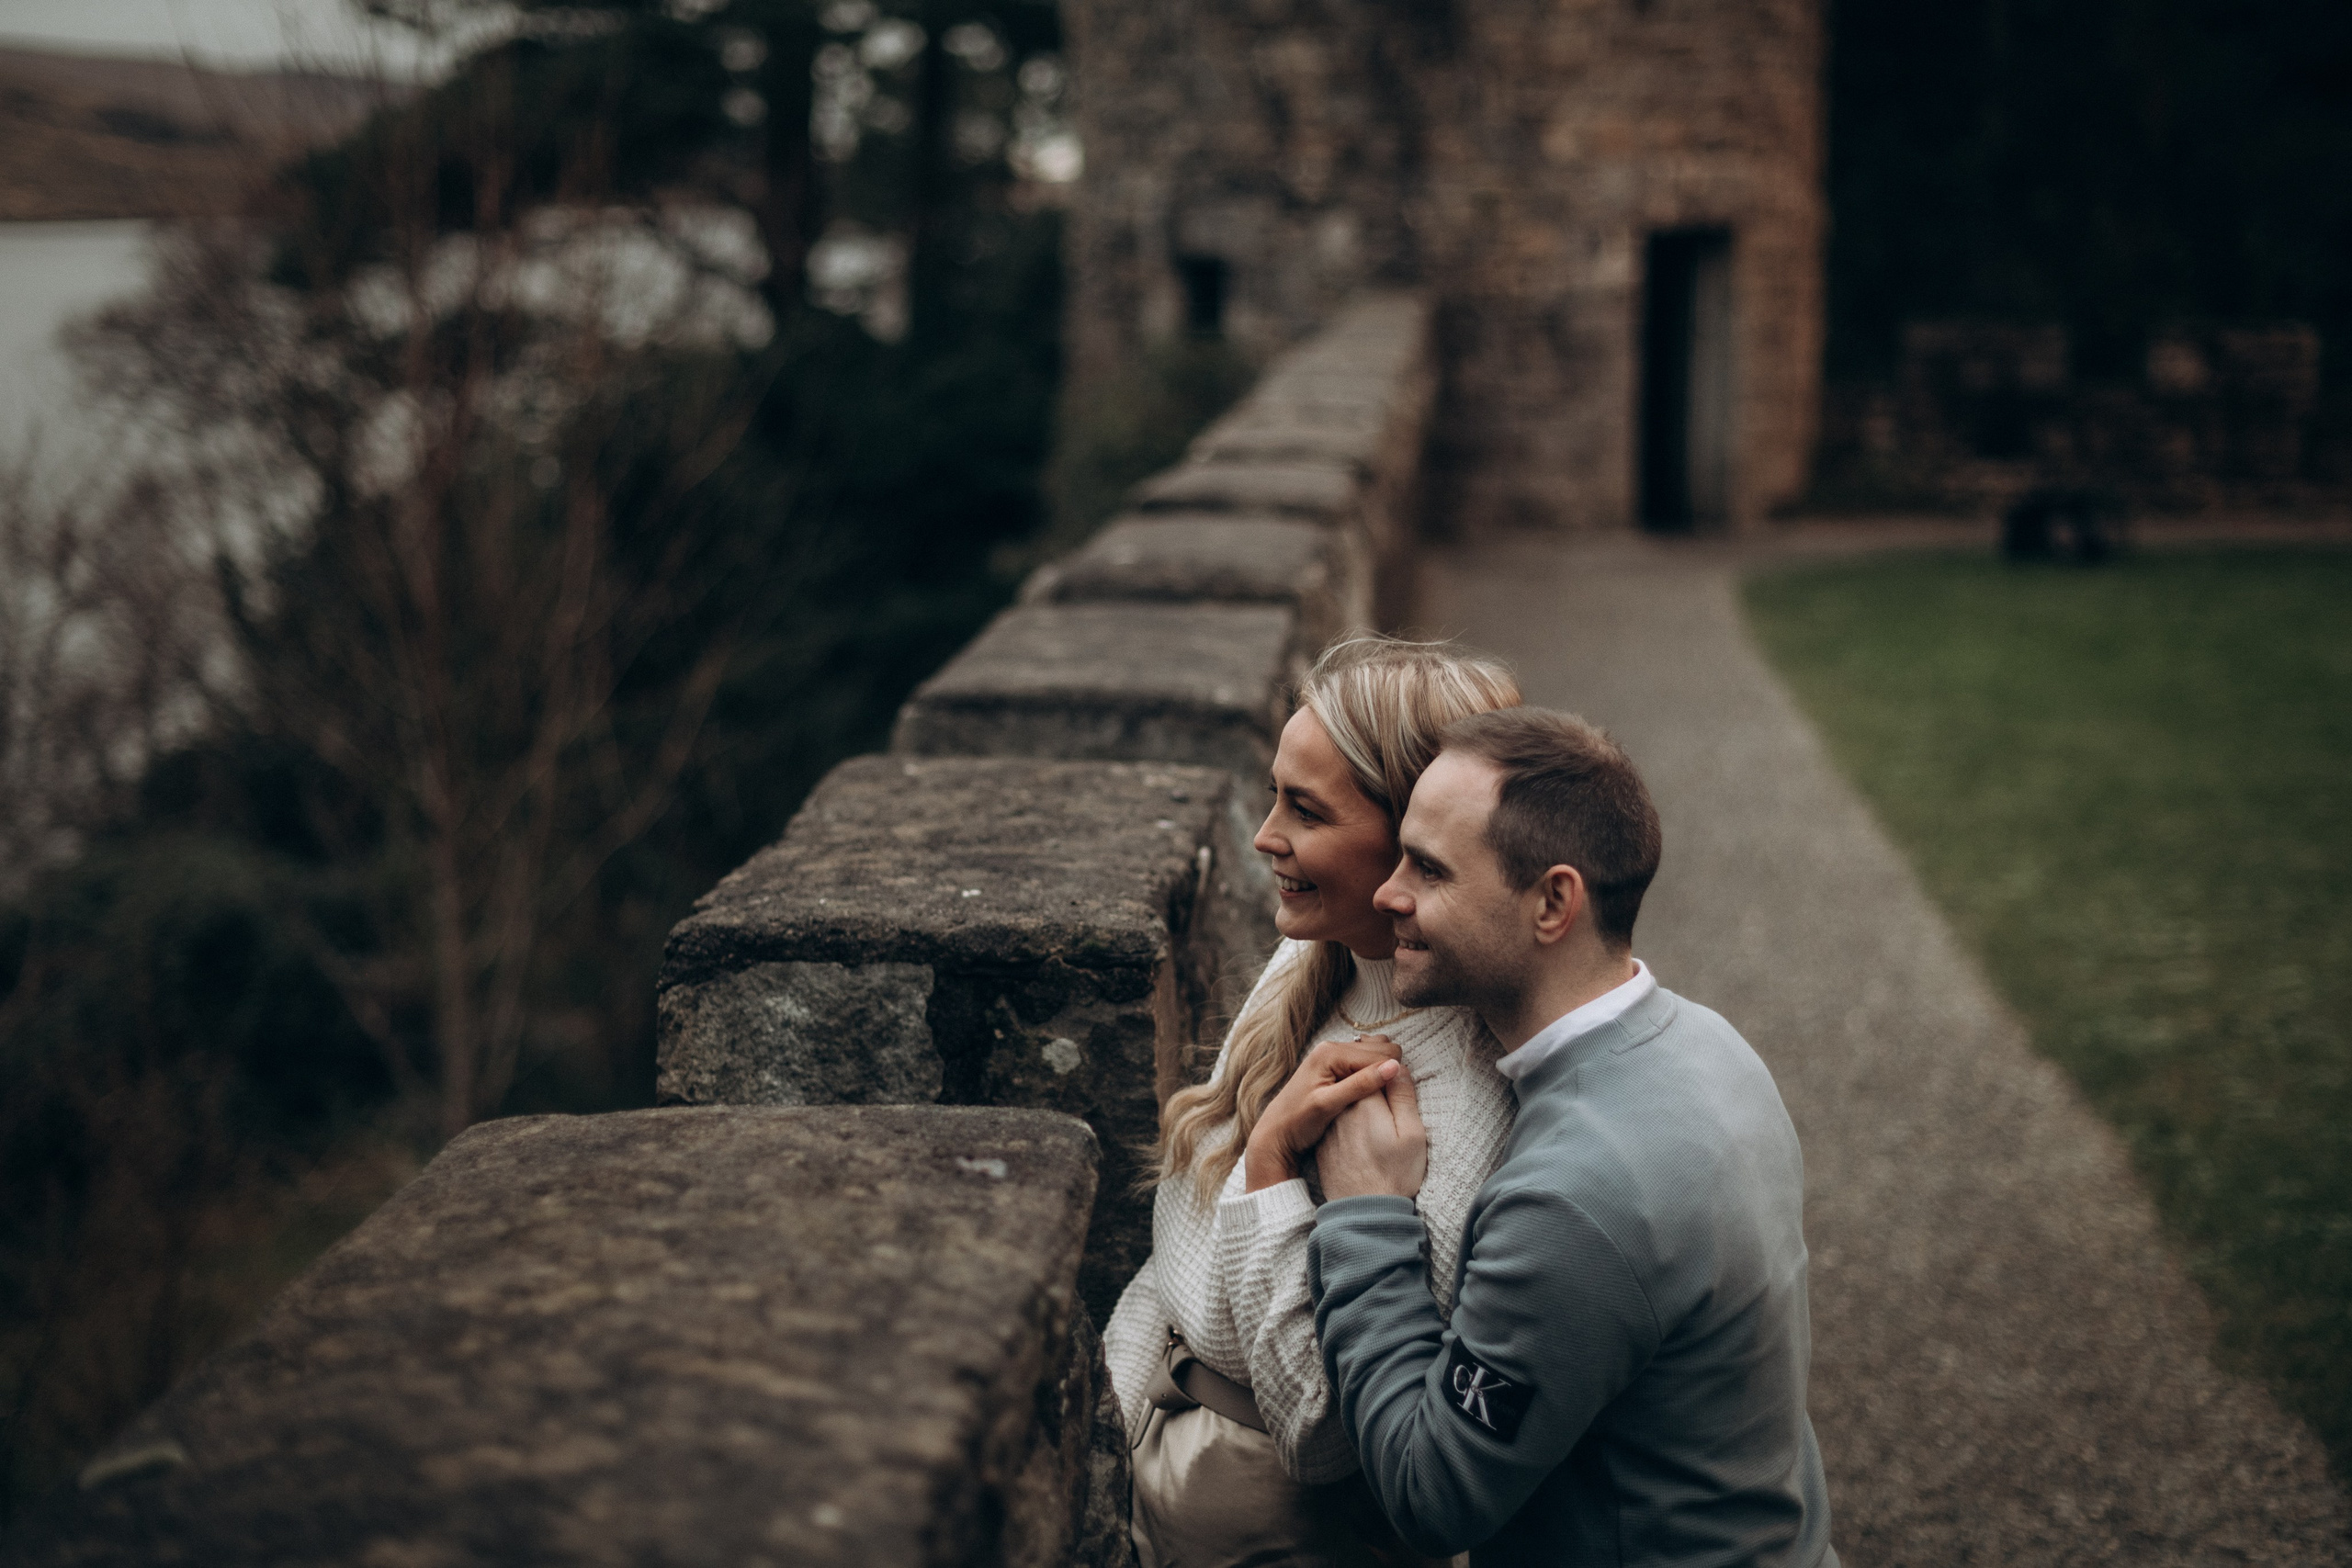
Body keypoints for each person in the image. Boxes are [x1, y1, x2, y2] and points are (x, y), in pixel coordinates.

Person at [1296, 706, 1836, 1567]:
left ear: (1554, 901)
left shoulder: (1573, 1197)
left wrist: (1365, 1217)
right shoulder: (1712, 1045)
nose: (1388, 892)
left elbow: (1432, 1493)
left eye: (1429, 870)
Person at [1103, 635, 1521, 1568]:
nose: (1262, 836)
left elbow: (1324, 1431)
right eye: (1272, 792)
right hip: (1165, 1465)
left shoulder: (1450, 1094)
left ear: (1416, 836)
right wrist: (1119, 1417)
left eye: (1305, 808)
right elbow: (1178, 1257)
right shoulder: (1314, 957)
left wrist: (1265, 1169)